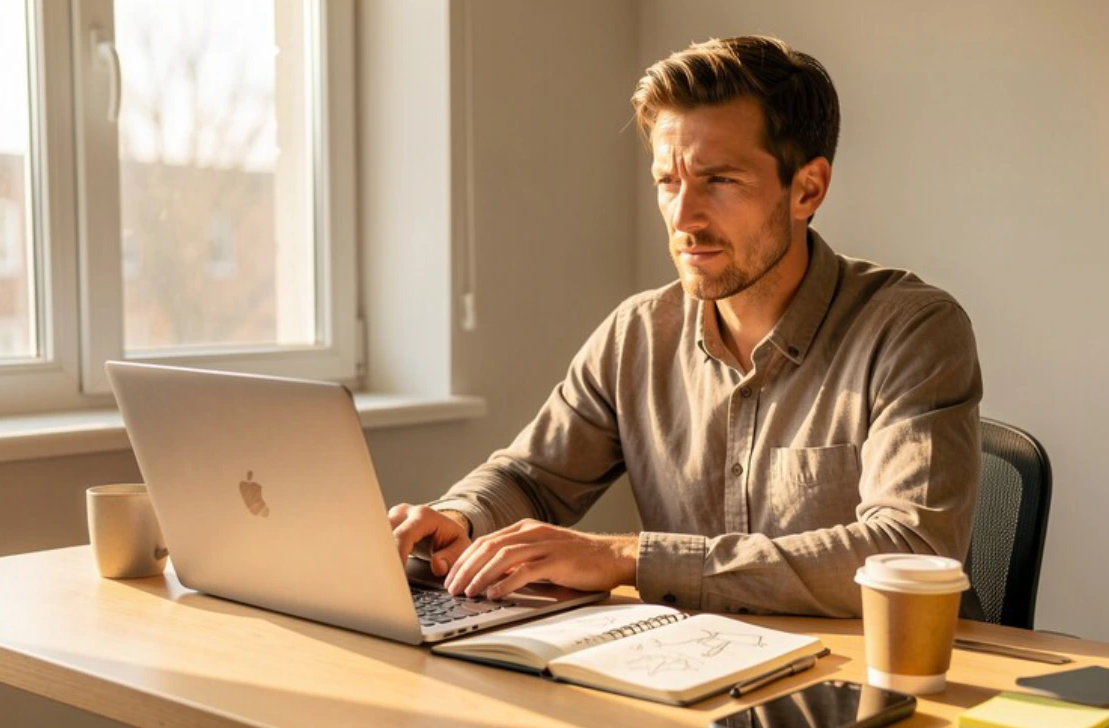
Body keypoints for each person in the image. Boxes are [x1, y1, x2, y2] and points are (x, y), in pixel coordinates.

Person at [388, 35, 981, 618]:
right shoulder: (638, 334)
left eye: (719, 181)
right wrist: (461, 516)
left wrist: (631, 558)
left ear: (808, 188)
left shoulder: (911, 330)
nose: (683, 218)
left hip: (880, 682)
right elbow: (532, 476)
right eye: (668, 182)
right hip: (693, 678)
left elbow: (909, 549)